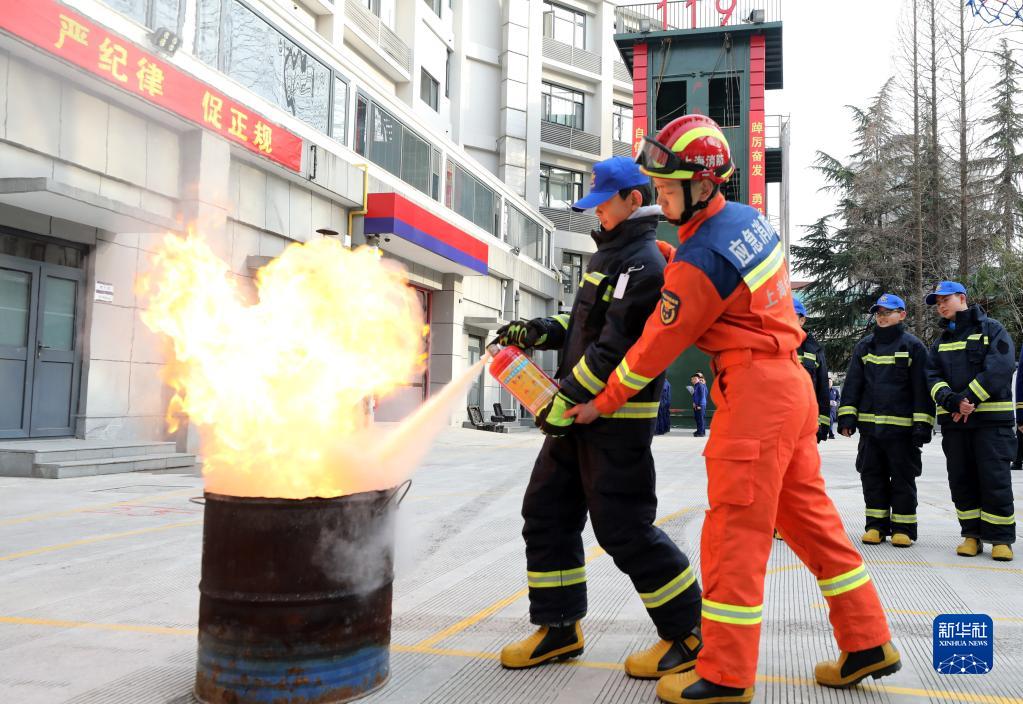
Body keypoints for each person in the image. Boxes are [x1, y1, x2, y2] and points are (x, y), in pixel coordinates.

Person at [565, 114, 898, 704]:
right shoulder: (747, 221)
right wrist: (679, 252)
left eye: (668, 190)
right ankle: (869, 640)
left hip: (753, 398)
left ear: (703, 184)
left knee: (732, 537)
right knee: (815, 528)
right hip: (790, 387)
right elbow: (725, 276)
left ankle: (724, 673)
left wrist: (603, 401)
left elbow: (652, 350)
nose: (661, 198)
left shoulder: (695, 267)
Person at [493, 156, 703, 679]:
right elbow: (585, 322)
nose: (597, 214)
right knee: (546, 512)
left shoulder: (643, 263)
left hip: (614, 421)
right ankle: (559, 628)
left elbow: (615, 344)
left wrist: (565, 399)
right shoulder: (610, 255)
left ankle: (689, 631)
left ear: (634, 200)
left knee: (624, 529)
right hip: (576, 415)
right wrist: (541, 330)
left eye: (603, 204)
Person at [925, 281, 1016, 562]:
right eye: (937, 302)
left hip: (991, 423)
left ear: (962, 298)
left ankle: (1000, 539)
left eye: (945, 299)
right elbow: (931, 377)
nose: (940, 305)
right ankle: (971, 536)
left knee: (995, 480)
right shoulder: (939, 343)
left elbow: (1001, 366)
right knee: (961, 480)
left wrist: (968, 400)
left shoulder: (992, 329)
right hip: (956, 424)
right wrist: (953, 402)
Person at [837, 294, 933, 548]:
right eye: (879, 312)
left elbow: (922, 389)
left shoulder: (913, 346)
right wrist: (847, 415)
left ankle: (903, 529)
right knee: (872, 477)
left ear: (902, 315)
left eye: (888, 312)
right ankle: (876, 527)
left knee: (903, 478)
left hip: (902, 431)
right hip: (870, 430)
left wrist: (923, 423)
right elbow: (853, 384)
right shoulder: (864, 347)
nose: (882, 316)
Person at [793, 299, 831, 443]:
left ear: (802, 320)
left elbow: (822, 389)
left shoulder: (814, 350)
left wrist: (823, 425)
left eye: (790, 315)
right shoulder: (770, 344)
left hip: (806, 425)